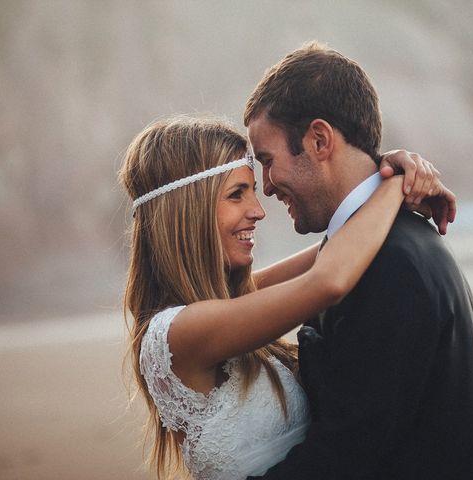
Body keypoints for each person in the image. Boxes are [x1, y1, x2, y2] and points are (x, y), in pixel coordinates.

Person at [119, 116, 452, 479]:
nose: (258, 211)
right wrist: (397, 184)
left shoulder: (226, 308)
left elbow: (329, 250)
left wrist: (381, 174)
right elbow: (329, 280)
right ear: (188, 211)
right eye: (236, 194)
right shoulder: (178, 334)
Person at [244, 42, 473, 479]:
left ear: (319, 140)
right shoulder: (385, 243)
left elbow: (346, 456)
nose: (267, 188)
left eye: (268, 162)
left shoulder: (392, 267)